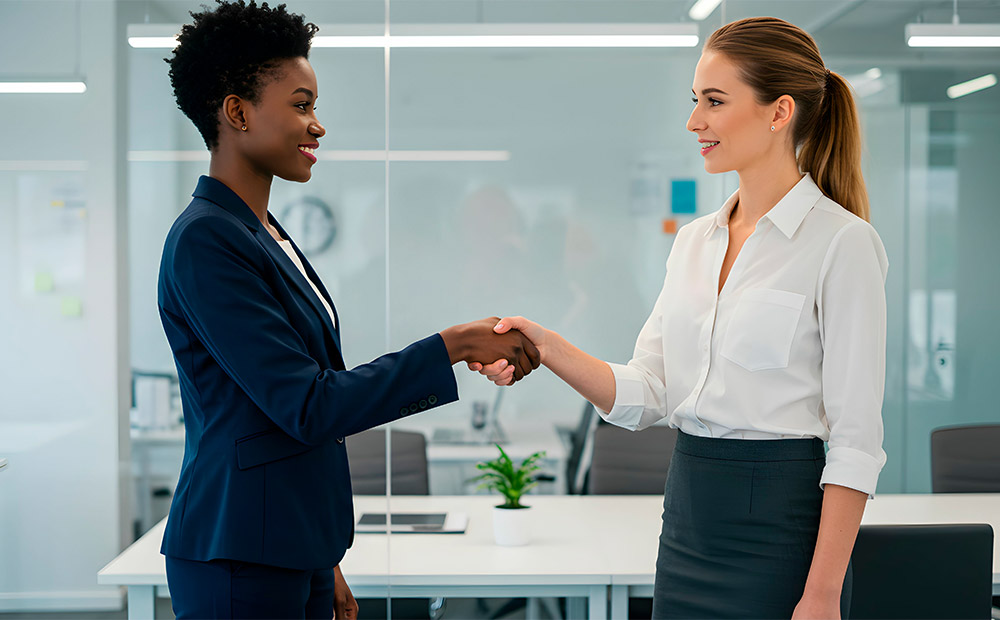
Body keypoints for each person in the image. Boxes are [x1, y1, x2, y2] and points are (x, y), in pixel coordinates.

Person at [473, 16, 887, 619]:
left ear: (779, 113)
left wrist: (822, 594)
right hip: (688, 519)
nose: (695, 121)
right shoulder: (695, 242)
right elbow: (649, 393)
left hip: (781, 534)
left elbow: (856, 442)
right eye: (695, 101)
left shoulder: (842, 243)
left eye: (714, 102)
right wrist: (547, 345)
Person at [156, 2, 539, 618]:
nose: (318, 125)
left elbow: (285, 415)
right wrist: (455, 345)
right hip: (238, 556)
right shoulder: (207, 239)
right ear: (237, 112)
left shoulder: (262, 233)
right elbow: (308, 404)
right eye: (301, 105)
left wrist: (320, 551)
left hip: (289, 541)